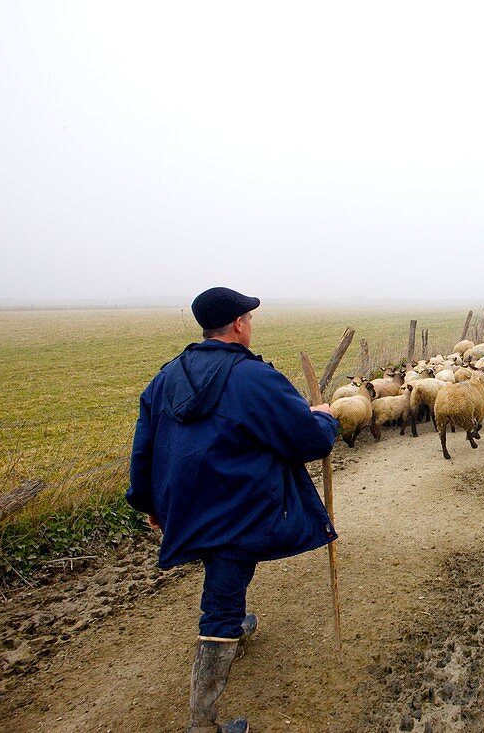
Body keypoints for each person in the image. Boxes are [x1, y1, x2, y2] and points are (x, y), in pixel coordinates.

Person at [128, 286, 339, 733]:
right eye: (250, 318)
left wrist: (149, 501)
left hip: (186, 504)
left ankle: (236, 624)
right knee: (219, 599)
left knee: (223, 573)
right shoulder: (253, 377)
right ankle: (203, 723)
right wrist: (322, 416)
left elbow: (144, 446)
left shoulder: (166, 377)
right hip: (236, 507)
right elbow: (308, 440)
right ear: (240, 324)